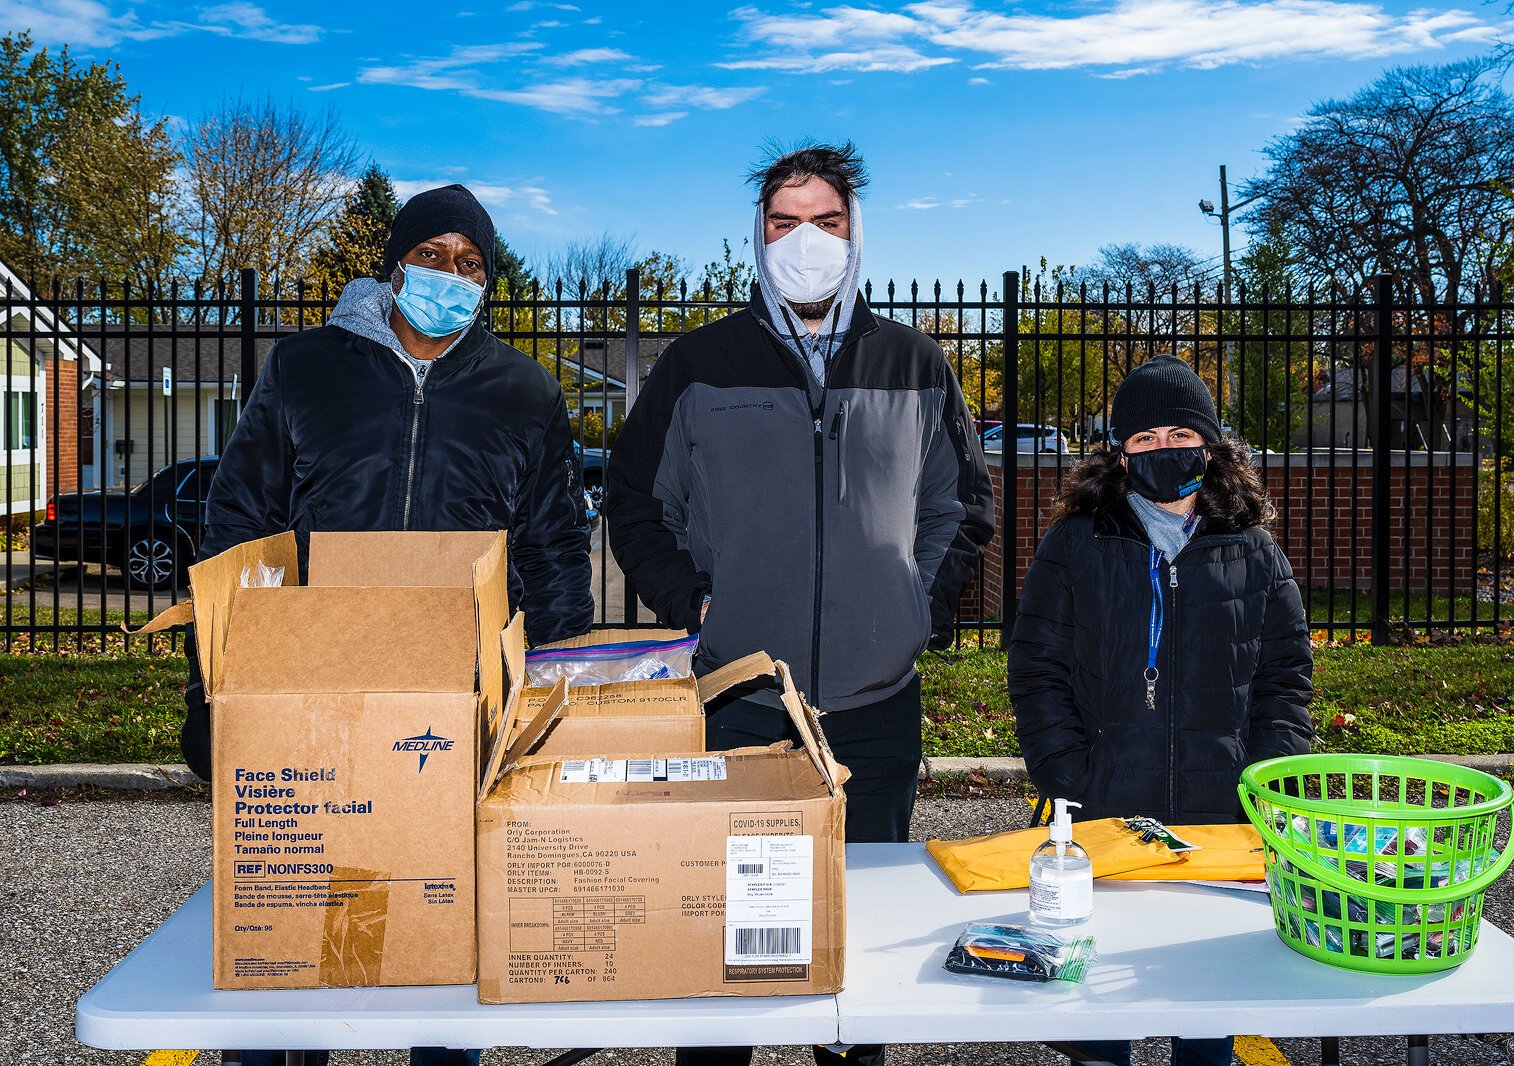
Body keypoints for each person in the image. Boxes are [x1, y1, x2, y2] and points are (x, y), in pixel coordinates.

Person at [181, 184, 593, 1066]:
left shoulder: (524, 393)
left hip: (454, 709)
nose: (451, 275)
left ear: (491, 284)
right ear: (395, 263)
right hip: (310, 700)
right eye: (434, 255)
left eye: (472, 263)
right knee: (290, 962)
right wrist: (213, 689)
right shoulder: (305, 369)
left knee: (439, 960)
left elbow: (557, 554)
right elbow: (238, 530)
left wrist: (550, 711)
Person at [606, 142, 994, 1066]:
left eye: (827, 220)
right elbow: (634, 500)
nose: (806, 240)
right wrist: (691, 603)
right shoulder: (700, 363)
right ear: (758, 237)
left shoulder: (913, 362)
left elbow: (961, 504)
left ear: (856, 236)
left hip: (874, 707)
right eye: (786, 223)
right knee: (725, 958)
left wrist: (917, 604)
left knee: (857, 968)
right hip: (738, 706)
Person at [1007, 355, 1314, 1066]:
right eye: (1143, 439)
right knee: (1094, 1020)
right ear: (1120, 454)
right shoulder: (1076, 545)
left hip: (1222, 816)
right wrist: (1064, 769)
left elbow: (1284, 680)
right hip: (1100, 811)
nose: (1163, 449)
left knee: (1206, 1015)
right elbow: (1037, 668)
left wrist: (1266, 779)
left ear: (1210, 446)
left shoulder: (1254, 553)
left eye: (1179, 432)